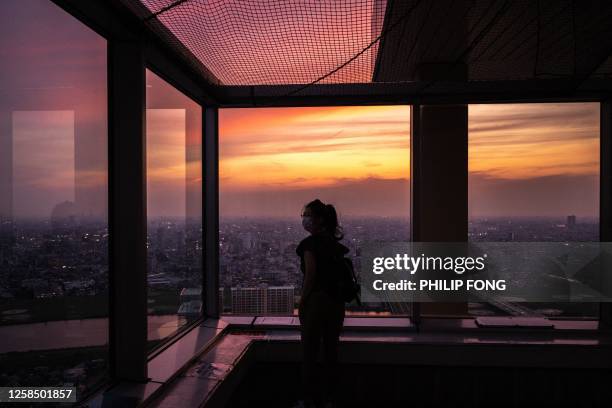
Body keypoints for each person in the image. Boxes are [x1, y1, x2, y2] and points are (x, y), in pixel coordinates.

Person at [295, 199, 349, 408]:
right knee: (331, 351)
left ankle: (307, 399)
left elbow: (310, 275)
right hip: (336, 305)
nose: (305, 220)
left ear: (319, 220)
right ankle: (331, 399)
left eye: (308, 215)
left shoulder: (309, 245)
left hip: (317, 302)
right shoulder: (336, 246)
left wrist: (303, 301)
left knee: (309, 352)